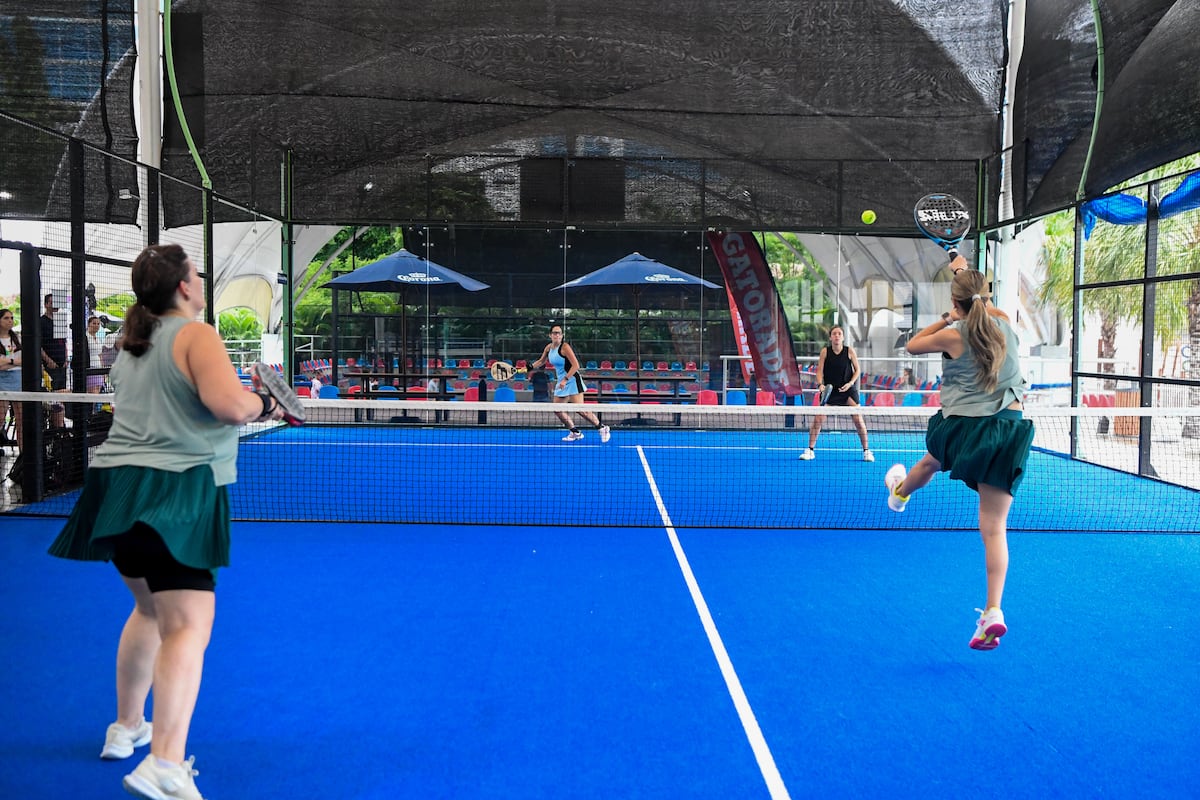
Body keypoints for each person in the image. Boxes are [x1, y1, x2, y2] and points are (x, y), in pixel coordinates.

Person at [47, 243, 285, 800]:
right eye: (197, 275)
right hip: (173, 492)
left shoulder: (132, 343)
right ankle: (165, 762)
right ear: (184, 287)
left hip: (114, 488)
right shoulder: (196, 334)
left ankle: (127, 726)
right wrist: (267, 404)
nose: (201, 281)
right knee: (187, 625)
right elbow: (229, 406)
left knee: (149, 608)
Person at [883, 257, 1034, 651]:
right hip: (1008, 430)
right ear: (985, 296)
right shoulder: (1005, 324)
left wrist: (947, 318)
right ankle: (993, 611)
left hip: (964, 429)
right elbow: (984, 302)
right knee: (995, 530)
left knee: (931, 461)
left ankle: (899, 492)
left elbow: (913, 346)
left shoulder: (955, 332)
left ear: (957, 302)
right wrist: (962, 281)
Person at [799, 326, 873, 461]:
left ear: (843, 337)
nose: (837, 336)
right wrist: (820, 384)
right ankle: (810, 450)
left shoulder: (849, 351)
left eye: (839, 334)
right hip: (830, 391)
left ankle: (866, 451)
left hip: (847, 390)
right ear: (830, 337)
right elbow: (819, 371)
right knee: (818, 419)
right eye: (834, 334)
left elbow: (857, 370)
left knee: (858, 419)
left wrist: (850, 383)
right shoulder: (825, 352)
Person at [528, 325, 610, 442]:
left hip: (572, 380)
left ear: (562, 336)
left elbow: (576, 365)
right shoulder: (548, 348)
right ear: (550, 335)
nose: (557, 335)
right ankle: (575, 432)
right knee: (557, 409)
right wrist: (528, 367)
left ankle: (602, 428)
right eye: (555, 333)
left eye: (559, 333)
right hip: (562, 381)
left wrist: (565, 379)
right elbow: (541, 361)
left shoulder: (565, 347)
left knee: (580, 409)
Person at [0, 308, 23, 449]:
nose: (10, 321)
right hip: (2, 382)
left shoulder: (17, 338)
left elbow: (23, 360)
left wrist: (7, 361)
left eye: (11, 318)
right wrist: (14, 361)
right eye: (6, 318)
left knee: (22, 420)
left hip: (18, 380)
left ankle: (23, 454)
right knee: (1, 418)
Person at [40, 293, 68, 390]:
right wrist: (48, 360)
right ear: (46, 304)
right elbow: (38, 346)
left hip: (62, 365)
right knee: (51, 393)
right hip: (49, 365)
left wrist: (66, 358)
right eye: (52, 303)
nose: (55, 306)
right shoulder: (41, 321)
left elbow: (64, 342)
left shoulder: (60, 321)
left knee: (63, 392)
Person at [85, 316, 106, 393]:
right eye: (94, 323)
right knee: (92, 392)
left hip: (98, 368)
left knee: (98, 391)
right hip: (90, 368)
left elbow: (100, 355)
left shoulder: (98, 338)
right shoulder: (86, 337)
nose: (96, 325)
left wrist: (103, 371)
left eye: (98, 324)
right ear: (88, 324)